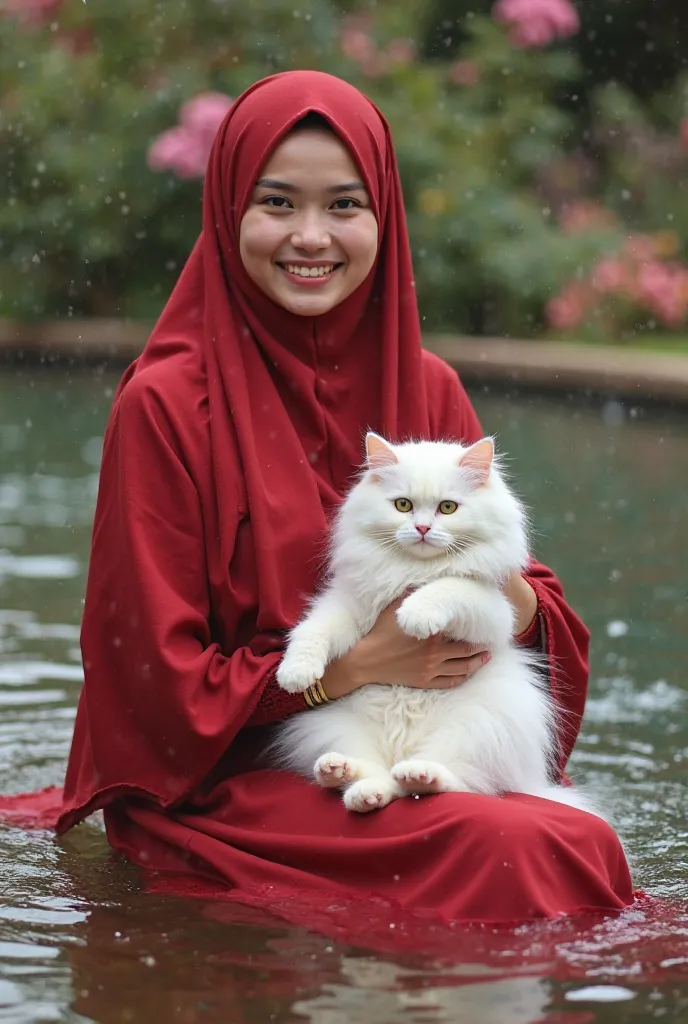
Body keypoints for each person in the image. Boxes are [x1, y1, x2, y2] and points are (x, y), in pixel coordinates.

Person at [5, 70, 634, 926]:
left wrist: (499, 588)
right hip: (235, 781)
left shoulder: (427, 389)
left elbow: (536, 616)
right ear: (230, 212)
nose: (311, 236)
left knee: (582, 843)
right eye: (277, 202)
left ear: (385, 218)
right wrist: (351, 666)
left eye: (344, 205)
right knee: (517, 853)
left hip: (416, 740)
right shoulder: (163, 405)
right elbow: (149, 677)